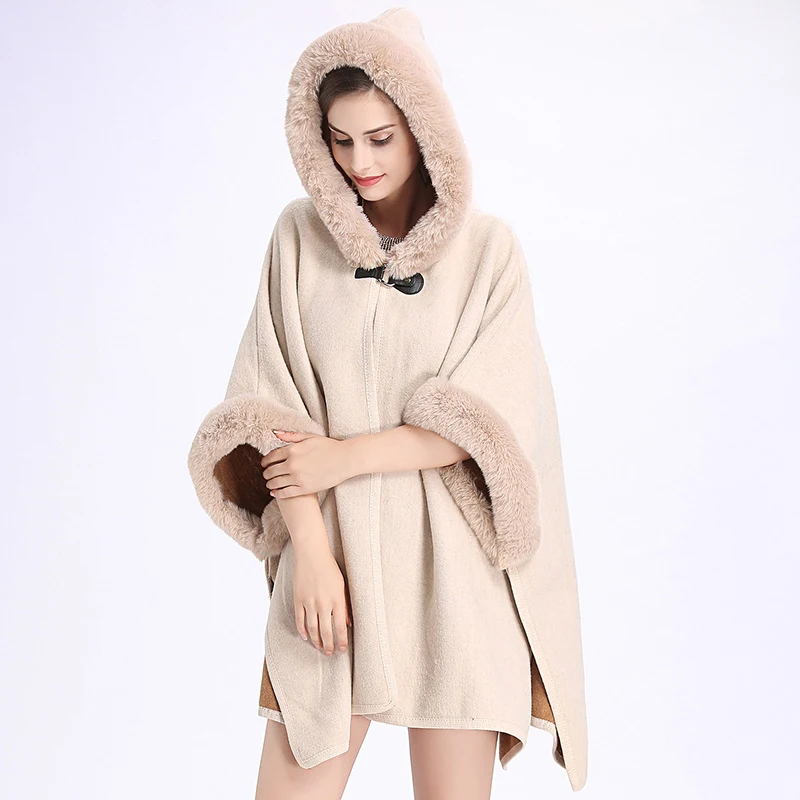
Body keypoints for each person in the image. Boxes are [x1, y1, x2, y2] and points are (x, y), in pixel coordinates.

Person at [187, 8, 588, 800]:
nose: (359, 162)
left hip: (454, 580)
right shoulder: (297, 238)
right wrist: (310, 554)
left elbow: (487, 421)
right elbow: (266, 405)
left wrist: (342, 457)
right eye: (340, 140)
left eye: (380, 138)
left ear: (423, 129)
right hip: (331, 562)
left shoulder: (488, 253)